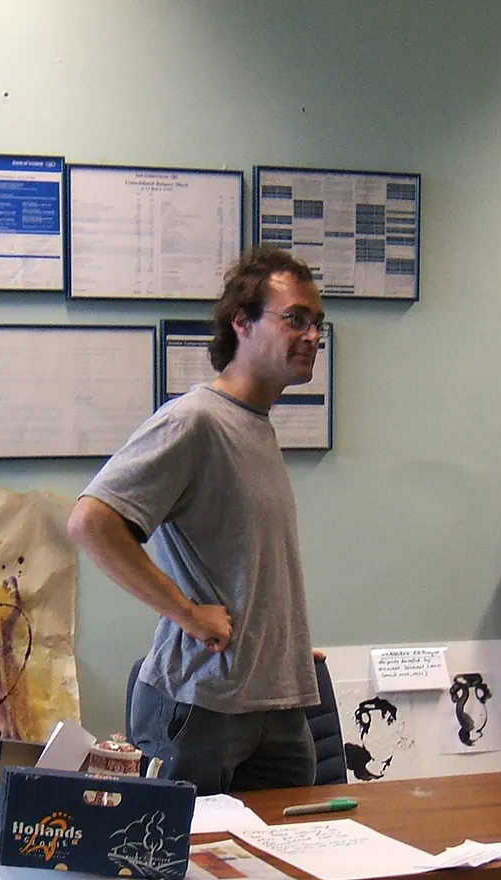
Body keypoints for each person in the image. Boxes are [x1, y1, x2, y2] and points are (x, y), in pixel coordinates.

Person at [68, 246, 324, 794]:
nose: (311, 336)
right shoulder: (195, 421)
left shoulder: (255, 425)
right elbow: (91, 522)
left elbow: (242, 564)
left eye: (317, 323)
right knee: (183, 849)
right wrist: (187, 613)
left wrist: (279, 643)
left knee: (292, 848)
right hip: (203, 701)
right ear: (241, 323)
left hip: (276, 700)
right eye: (295, 318)